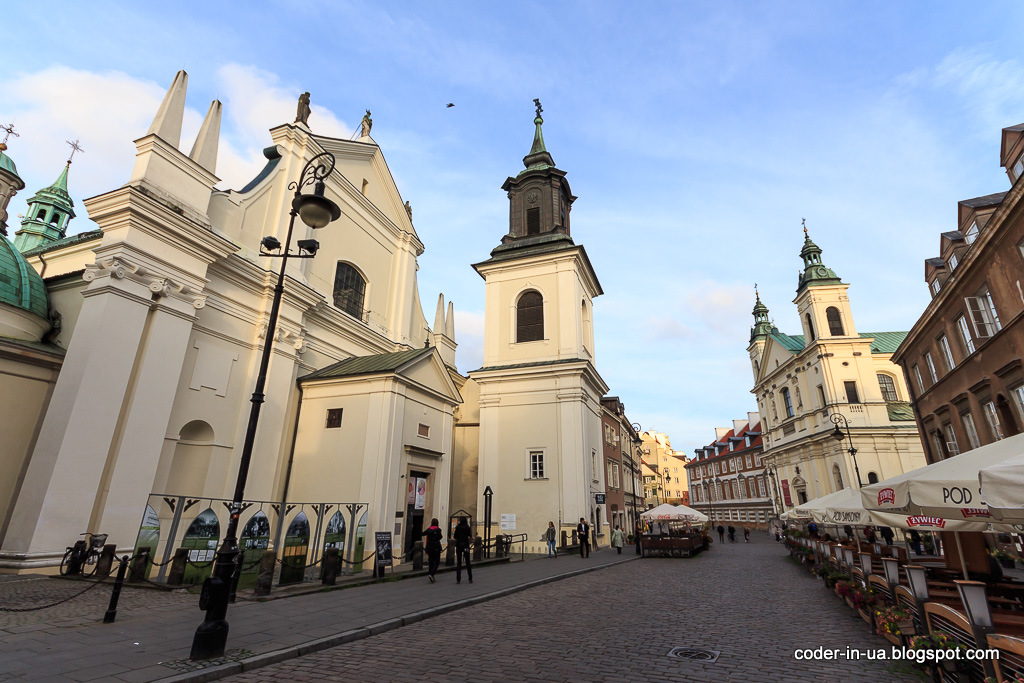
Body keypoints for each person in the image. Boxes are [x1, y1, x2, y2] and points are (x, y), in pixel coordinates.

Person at [421, 518, 443, 583]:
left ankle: (430, 574)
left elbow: (423, 534)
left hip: (430, 547)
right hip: (436, 547)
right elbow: (440, 537)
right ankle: (432, 574)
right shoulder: (438, 530)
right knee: (437, 561)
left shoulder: (429, 529)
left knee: (431, 561)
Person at [453, 516, 473, 584]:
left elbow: (455, 536)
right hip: (465, 546)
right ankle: (470, 578)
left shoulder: (458, 527)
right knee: (468, 562)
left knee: (459, 563)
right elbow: (470, 535)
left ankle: (458, 579)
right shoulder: (467, 527)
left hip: (459, 546)